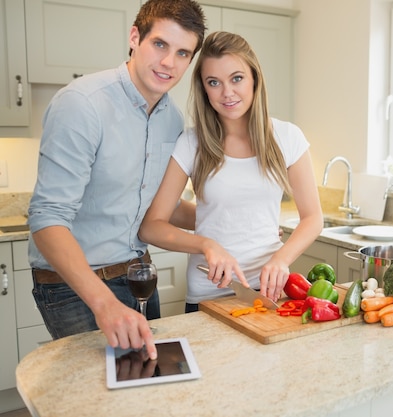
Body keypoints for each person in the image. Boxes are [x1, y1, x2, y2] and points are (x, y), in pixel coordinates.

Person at [27, 0, 206, 360]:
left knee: (144, 385)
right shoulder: (82, 104)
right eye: (160, 44)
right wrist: (105, 303)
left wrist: (232, 220)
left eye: (183, 53)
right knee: (102, 399)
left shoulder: (172, 120)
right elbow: (47, 219)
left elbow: (161, 206)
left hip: (139, 276)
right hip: (74, 288)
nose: (169, 62)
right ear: (135, 37)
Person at [138, 31, 323, 312]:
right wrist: (206, 245)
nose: (227, 93)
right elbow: (152, 226)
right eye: (214, 82)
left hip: (268, 291)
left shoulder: (288, 137)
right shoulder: (192, 143)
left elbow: (313, 218)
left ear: (254, 79)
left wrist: (281, 259)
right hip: (207, 295)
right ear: (204, 89)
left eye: (236, 78)